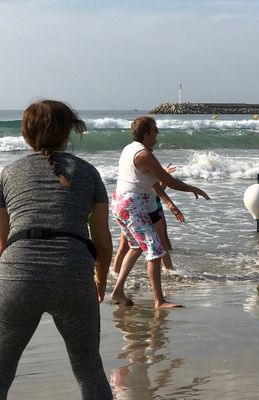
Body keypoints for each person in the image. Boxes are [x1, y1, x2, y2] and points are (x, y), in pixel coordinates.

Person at [0, 100, 113, 399]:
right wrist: (100, 279)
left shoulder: (8, 174)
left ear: (26, 135)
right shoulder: (88, 173)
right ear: (68, 132)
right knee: (89, 370)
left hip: (17, 274)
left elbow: (1, 243)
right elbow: (102, 241)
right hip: (73, 273)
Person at [111, 116, 209, 308]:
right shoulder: (144, 154)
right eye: (155, 131)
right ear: (147, 133)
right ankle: (159, 301)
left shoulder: (129, 149)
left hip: (119, 203)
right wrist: (193, 188)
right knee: (155, 251)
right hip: (132, 206)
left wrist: (170, 204)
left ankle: (118, 290)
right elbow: (169, 181)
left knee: (136, 247)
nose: (157, 135)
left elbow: (151, 182)